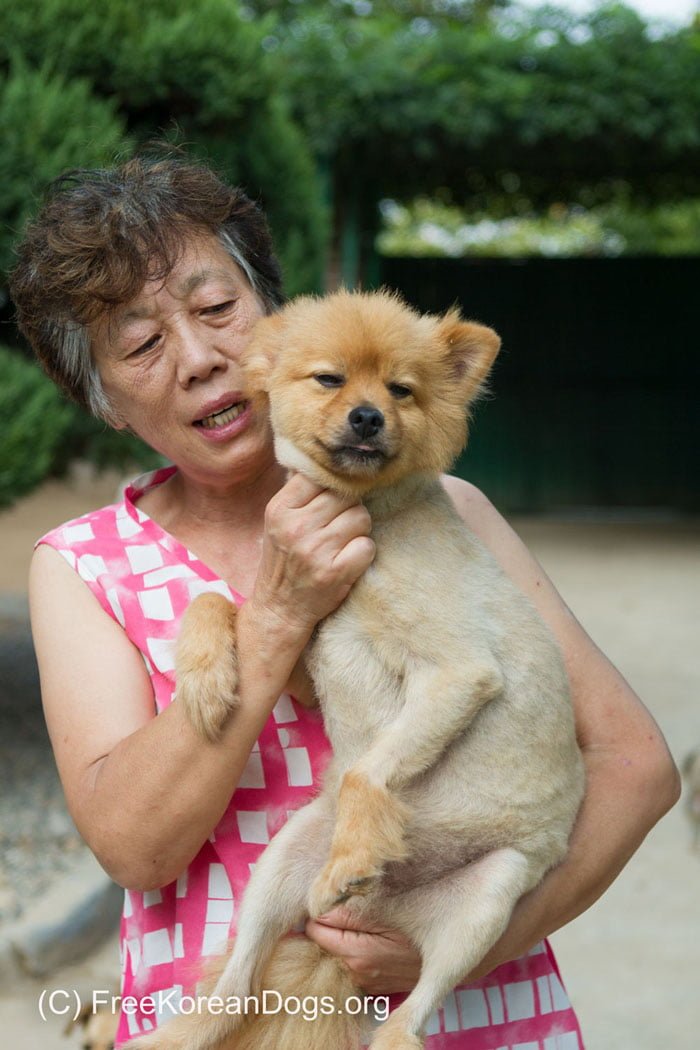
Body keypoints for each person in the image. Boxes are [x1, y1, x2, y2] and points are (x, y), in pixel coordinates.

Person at [10, 154, 679, 1049]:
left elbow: (638, 766)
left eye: (217, 311)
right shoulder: (87, 566)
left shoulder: (451, 514)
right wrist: (277, 616)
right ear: (106, 404)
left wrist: (477, 944)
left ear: (277, 328)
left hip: (454, 1011)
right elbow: (137, 850)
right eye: (141, 344)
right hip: (216, 1011)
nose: (205, 357)